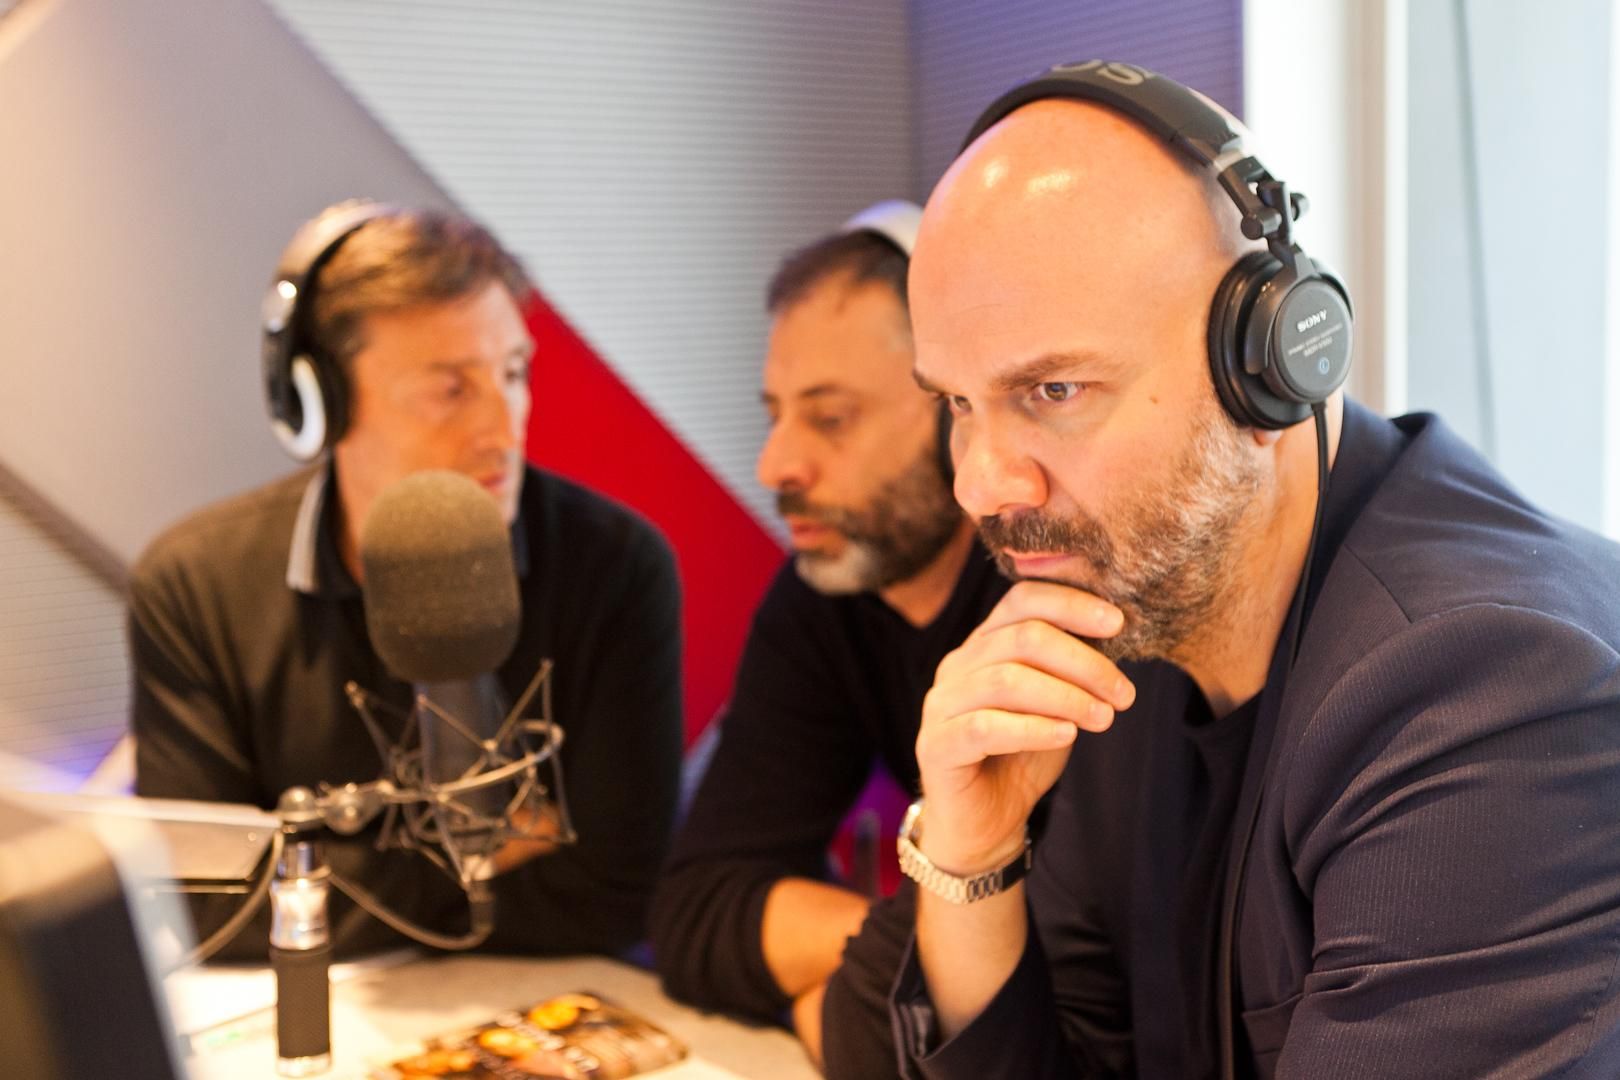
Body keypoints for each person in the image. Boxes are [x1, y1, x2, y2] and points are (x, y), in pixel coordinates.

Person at [888, 62, 1620, 1078]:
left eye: (1054, 390)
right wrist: (971, 859)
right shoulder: (1131, 610)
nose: (979, 483)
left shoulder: (1486, 696)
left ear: (1269, 368)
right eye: (957, 404)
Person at [129, 203, 682, 960]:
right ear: (321, 404)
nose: (504, 428)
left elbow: (618, 893)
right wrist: (481, 865)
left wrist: (309, 881)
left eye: (513, 373)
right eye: (450, 389)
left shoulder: (616, 568)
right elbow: (203, 906)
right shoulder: (195, 588)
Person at [649, 202, 1006, 1073]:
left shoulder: (1051, 599)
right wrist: (898, 953)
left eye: (831, 418)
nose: (776, 465)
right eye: (776, 413)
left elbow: (1062, 990)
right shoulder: (824, 595)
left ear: (959, 417)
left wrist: (842, 992)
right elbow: (696, 915)